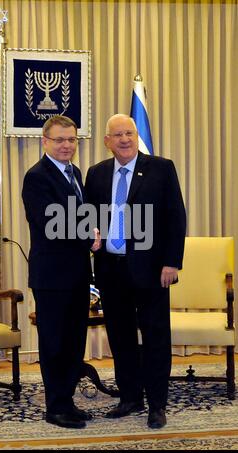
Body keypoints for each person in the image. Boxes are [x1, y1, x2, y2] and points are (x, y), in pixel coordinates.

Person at [85, 114, 186, 429]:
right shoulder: (96, 173)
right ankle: (130, 397)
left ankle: (157, 404)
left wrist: (172, 262)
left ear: (136, 135)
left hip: (153, 271)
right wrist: (91, 234)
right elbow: (88, 216)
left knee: (155, 337)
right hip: (111, 271)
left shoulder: (161, 168)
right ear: (107, 141)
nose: (124, 139)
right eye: (117, 134)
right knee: (121, 337)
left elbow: (175, 217)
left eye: (129, 132)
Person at [22, 115, 100, 429]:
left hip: (78, 273)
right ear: (46, 142)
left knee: (73, 342)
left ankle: (67, 401)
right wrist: (90, 236)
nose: (67, 145)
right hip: (52, 276)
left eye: (71, 140)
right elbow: (50, 223)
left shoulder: (75, 173)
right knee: (54, 343)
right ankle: (55, 408)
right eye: (59, 140)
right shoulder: (37, 177)